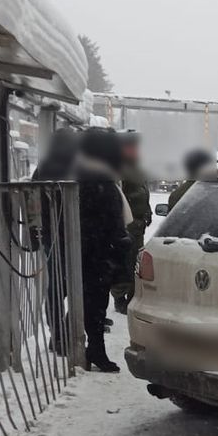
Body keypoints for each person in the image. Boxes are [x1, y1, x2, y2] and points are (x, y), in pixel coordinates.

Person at [73, 128, 130, 372]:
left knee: (92, 301)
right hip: (97, 252)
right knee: (94, 303)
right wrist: (118, 248)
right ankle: (94, 350)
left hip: (91, 251)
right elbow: (110, 221)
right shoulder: (98, 182)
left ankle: (92, 348)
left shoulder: (85, 176)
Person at [30, 128, 79, 354]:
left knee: (57, 288)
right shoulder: (76, 169)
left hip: (52, 236)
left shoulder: (42, 169)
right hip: (72, 236)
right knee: (75, 286)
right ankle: (63, 333)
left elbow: (32, 203)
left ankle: (57, 334)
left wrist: (35, 233)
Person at [110, 132, 152, 314]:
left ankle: (132, 297)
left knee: (135, 264)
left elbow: (144, 193)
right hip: (126, 226)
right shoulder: (119, 169)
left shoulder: (138, 168)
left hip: (138, 227)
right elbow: (117, 197)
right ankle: (120, 297)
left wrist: (147, 212)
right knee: (123, 263)